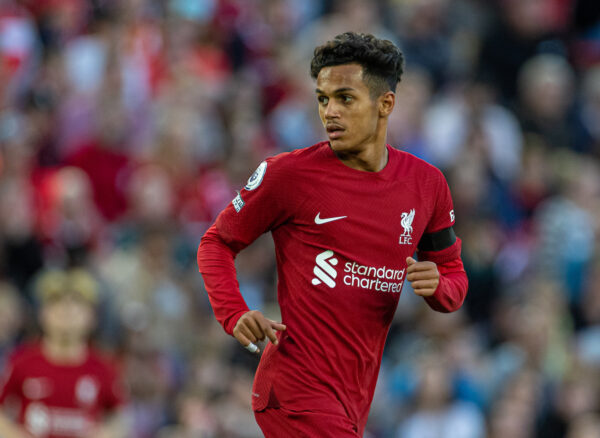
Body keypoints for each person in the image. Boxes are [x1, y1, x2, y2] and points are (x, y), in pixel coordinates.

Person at [197, 31, 468, 437]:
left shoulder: (427, 185)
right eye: (323, 99)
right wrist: (234, 312)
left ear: (385, 104)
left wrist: (439, 288)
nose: (330, 112)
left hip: (354, 399)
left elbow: (452, 275)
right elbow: (216, 242)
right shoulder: (288, 175)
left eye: (345, 98)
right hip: (294, 390)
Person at [0, 268, 128, 438]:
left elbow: (120, 417)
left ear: (91, 317)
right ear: (43, 313)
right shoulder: (21, 362)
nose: (66, 311)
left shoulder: (104, 368)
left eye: (76, 304)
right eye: (56, 303)